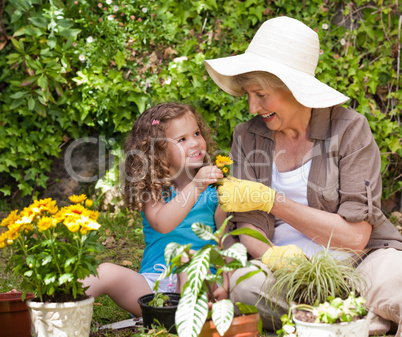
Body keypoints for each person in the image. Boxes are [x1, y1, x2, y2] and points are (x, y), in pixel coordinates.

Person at [204, 16, 402, 335]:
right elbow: (247, 226)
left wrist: (274, 202)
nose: (252, 107)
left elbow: (355, 238)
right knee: (243, 286)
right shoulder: (247, 137)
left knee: (399, 279)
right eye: (248, 94)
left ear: (294, 88)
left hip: (359, 263)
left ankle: (334, 315)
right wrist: (280, 261)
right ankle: (356, 317)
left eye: (261, 94)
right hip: (284, 275)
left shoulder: (350, 130)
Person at [83, 102, 227, 317]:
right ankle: (55, 311)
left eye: (197, 133)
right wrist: (196, 186)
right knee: (103, 272)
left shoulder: (215, 192)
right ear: (157, 151)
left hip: (199, 280)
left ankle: (184, 321)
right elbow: (162, 223)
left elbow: (225, 243)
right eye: (182, 139)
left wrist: (225, 283)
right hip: (152, 287)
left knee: (190, 261)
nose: (196, 143)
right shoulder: (153, 189)